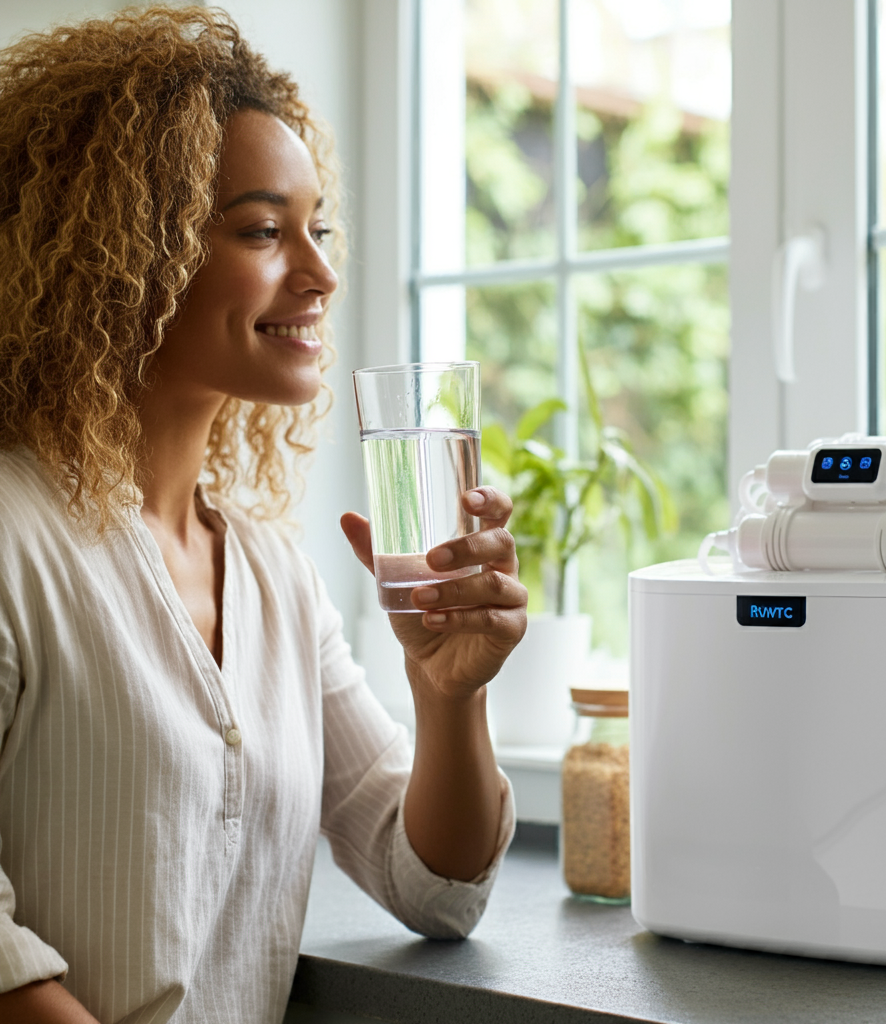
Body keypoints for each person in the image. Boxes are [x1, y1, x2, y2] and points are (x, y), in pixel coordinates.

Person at [0, 6, 527, 1023]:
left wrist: (449, 695)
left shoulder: (273, 569)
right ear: (121, 254)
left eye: (317, 228)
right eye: (262, 230)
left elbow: (433, 886)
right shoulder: (15, 536)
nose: (322, 273)